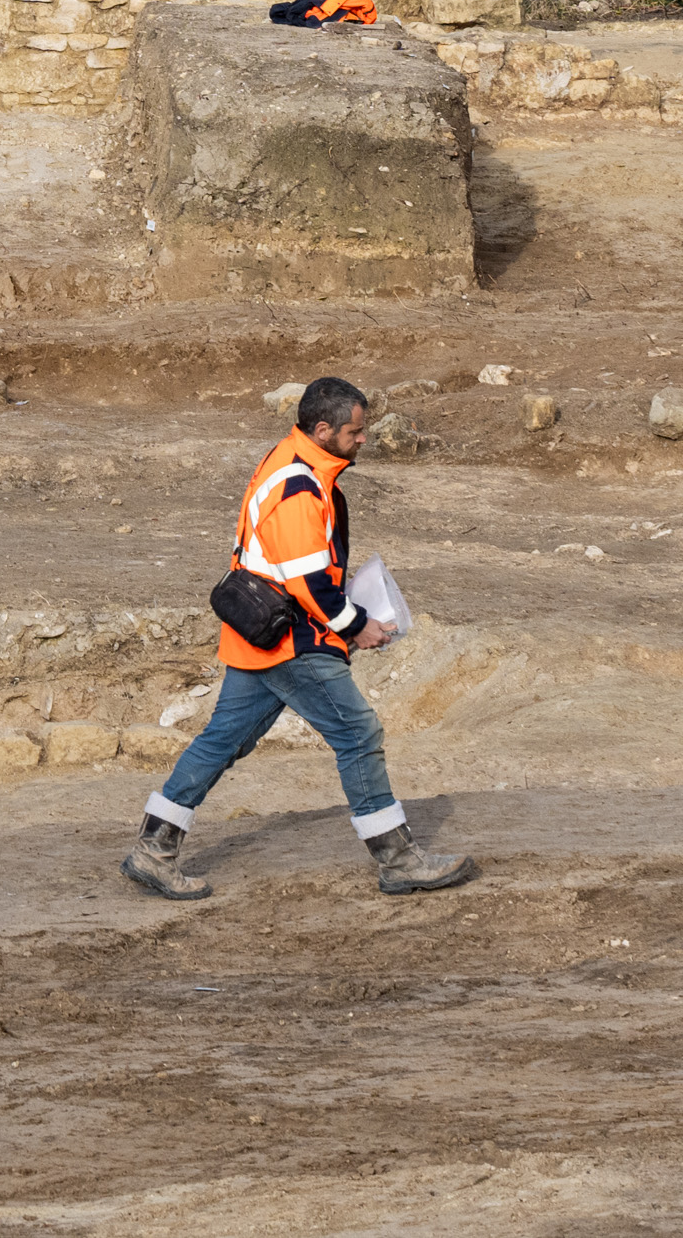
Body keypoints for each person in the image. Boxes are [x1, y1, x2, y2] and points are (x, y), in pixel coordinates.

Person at [120, 377, 475, 902]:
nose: (362, 442)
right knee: (358, 734)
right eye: (356, 432)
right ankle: (398, 860)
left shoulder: (290, 463)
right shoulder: (300, 484)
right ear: (324, 428)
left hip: (263, 635)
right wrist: (358, 626)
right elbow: (310, 583)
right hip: (292, 641)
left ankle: (155, 849)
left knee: (222, 742)